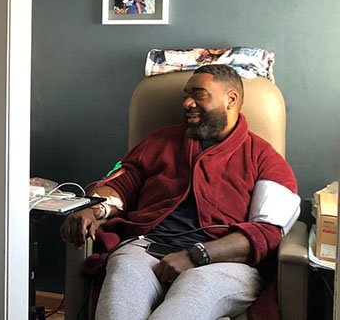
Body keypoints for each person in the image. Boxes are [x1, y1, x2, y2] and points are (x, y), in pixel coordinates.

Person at [61, 64, 298, 320]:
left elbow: (268, 231)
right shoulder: (159, 141)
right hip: (146, 249)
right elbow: (123, 182)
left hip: (223, 264)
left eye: (198, 95)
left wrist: (196, 255)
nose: (187, 103)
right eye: (185, 96)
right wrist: (97, 208)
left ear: (231, 99)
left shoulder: (265, 158)